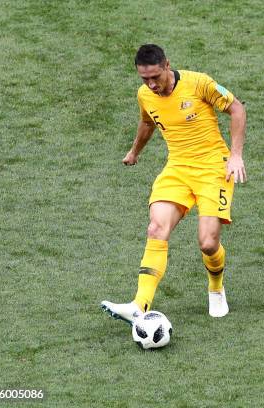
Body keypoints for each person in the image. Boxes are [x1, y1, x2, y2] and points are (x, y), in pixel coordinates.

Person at [101, 44, 246, 321]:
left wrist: (235, 155)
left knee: (207, 243)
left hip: (213, 168)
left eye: (155, 76)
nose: (151, 84)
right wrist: (134, 152)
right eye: (145, 79)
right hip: (177, 169)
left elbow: (237, 109)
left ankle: (216, 289)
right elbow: (147, 123)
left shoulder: (198, 83)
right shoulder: (145, 95)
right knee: (156, 228)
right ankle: (139, 305)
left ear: (167, 64)